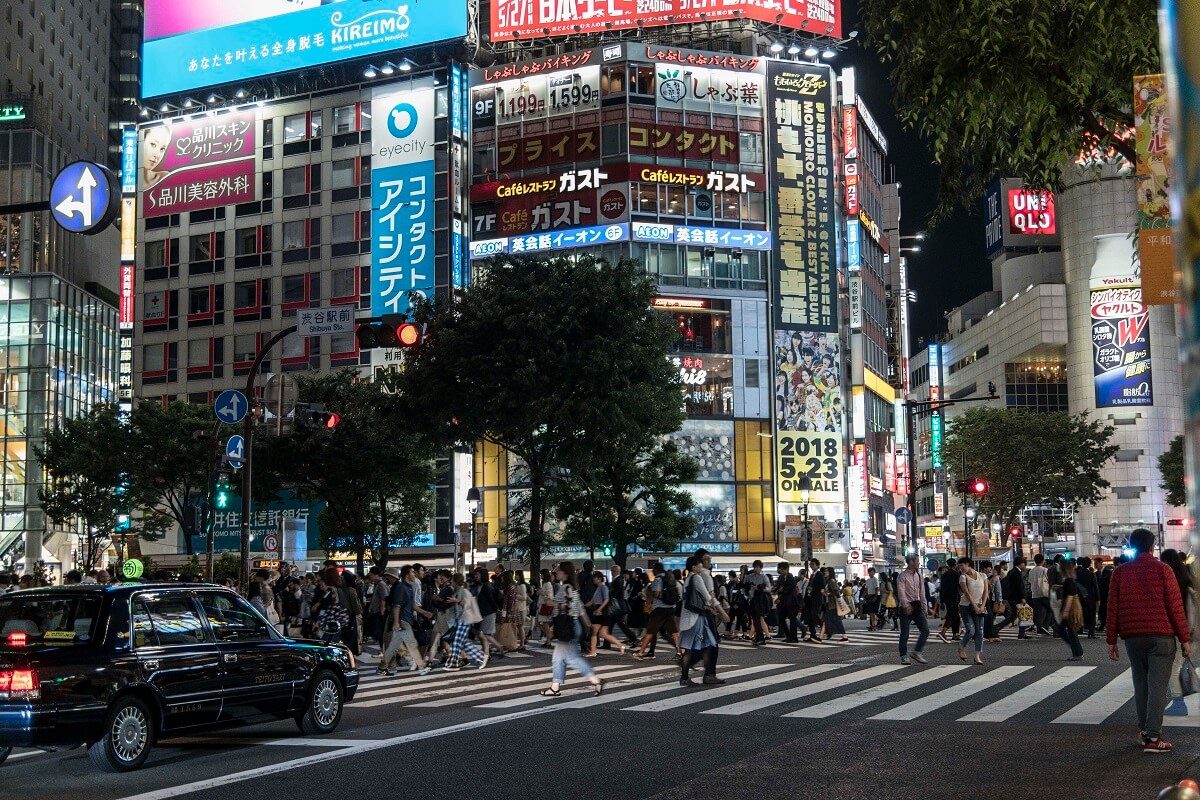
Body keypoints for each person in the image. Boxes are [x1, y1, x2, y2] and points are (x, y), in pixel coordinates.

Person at [1106, 528, 1192, 754]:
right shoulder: (1164, 570)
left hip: (1133, 637)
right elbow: (1175, 607)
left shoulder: (1120, 572)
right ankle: (1153, 736)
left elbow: (1112, 607)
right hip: (1161, 636)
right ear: (1153, 546)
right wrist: (1185, 639)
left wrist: (1111, 639)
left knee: (1141, 683)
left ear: (1131, 545)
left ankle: (1145, 731)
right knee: (1158, 686)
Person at [540, 562, 604, 697]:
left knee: (571, 658)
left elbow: (566, 606)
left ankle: (596, 681)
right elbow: (580, 608)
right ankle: (555, 687)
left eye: (558, 571)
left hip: (567, 626)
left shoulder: (566, 588)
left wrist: (552, 603)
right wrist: (587, 624)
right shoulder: (572, 588)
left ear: (565, 574)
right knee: (558, 658)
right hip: (574, 625)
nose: (556, 573)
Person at [679, 551, 724, 686]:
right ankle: (706, 675)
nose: (701, 567)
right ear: (694, 566)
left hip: (687, 618)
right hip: (696, 618)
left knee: (689, 649)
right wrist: (718, 609)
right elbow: (707, 596)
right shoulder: (697, 577)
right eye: (699, 565)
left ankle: (685, 678)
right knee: (709, 644)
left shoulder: (687, 579)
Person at [1162, 550, 1197, 716]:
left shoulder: (1175, 583)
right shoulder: (1187, 580)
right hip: (1189, 632)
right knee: (1178, 666)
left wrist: (1186, 638)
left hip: (1183, 632)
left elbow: (1184, 612)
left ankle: (1179, 704)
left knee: (1172, 668)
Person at [636, 561, 682, 660]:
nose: (652, 571)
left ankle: (641, 652)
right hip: (670, 607)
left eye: (653, 569)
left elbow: (657, 593)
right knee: (674, 632)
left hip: (659, 609)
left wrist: (649, 591)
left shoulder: (657, 580)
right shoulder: (669, 578)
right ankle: (679, 651)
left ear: (656, 570)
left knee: (650, 631)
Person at [444, 573, 488, 671]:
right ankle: (482, 657)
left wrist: (456, 601)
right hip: (459, 620)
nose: (451, 583)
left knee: (456, 642)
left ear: (456, 582)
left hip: (464, 620)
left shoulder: (464, 591)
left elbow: (467, 605)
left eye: (452, 581)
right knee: (463, 643)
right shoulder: (459, 591)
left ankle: (453, 664)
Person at [897, 553, 929, 666]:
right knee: (905, 633)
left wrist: (925, 607)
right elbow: (901, 592)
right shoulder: (902, 576)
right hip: (906, 607)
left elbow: (922, 593)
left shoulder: (919, 575)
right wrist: (906, 605)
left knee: (925, 630)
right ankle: (903, 656)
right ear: (911, 562)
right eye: (917, 560)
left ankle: (917, 652)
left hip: (917, 606)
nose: (918, 562)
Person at [585, 571, 627, 656]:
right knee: (603, 634)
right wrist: (584, 605)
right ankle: (620, 645)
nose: (593, 579)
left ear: (599, 578)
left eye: (595, 578)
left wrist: (599, 609)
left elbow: (606, 599)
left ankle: (593, 651)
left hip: (602, 612)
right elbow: (593, 601)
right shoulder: (599, 587)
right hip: (601, 611)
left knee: (595, 631)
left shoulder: (603, 587)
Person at [957, 557, 988, 665]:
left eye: (962, 565)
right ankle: (961, 646)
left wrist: (982, 605)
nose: (960, 568)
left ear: (968, 564)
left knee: (980, 631)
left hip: (980, 606)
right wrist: (974, 606)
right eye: (959, 566)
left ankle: (977, 655)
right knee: (971, 630)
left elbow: (986, 592)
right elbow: (966, 593)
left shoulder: (982, 576)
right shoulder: (963, 577)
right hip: (966, 606)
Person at [1054, 560, 1085, 661]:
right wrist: (1059, 586)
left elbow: (1070, 597)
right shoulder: (1069, 580)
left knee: (1066, 631)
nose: (1058, 568)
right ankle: (1077, 652)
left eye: (1060, 566)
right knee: (1069, 631)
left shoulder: (1069, 580)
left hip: (1070, 609)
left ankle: (1078, 653)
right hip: (1071, 608)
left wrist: (1066, 612)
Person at [996, 557, 1027, 637]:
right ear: (1021, 564)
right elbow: (1019, 586)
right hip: (1016, 598)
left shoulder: (1011, 572)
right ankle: (1021, 634)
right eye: (1024, 564)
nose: (1025, 566)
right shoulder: (1017, 572)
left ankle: (997, 628)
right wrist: (1022, 597)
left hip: (1011, 597)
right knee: (1021, 615)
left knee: (1014, 615)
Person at [775, 563, 801, 643]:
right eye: (779, 569)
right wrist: (777, 589)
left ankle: (794, 637)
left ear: (786, 569)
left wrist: (783, 589)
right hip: (782, 601)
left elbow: (792, 586)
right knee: (781, 619)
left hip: (791, 602)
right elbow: (778, 586)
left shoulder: (790, 577)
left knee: (792, 619)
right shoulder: (780, 577)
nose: (780, 571)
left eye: (782, 569)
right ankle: (788, 636)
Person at [938, 559, 962, 642]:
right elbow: (960, 586)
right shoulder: (957, 574)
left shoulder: (944, 575)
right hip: (954, 597)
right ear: (955, 564)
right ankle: (943, 632)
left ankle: (955, 634)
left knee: (955, 616)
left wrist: (941, 601)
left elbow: (942, 588)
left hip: (946, 598)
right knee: (952, 615)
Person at [1029, 553, 1053, 635]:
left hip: (1034, 594)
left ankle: (1039, 628)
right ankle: (1045, 626)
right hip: (1044, 594)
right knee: (1050, 609)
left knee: (1038, 612)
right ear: (1043, 561)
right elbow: (1049, 581)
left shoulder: (1031, 571)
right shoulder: (1045, 570)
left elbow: (1030, 581)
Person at [1076, 556, 1100, 639]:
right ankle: (1091, 633)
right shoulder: (1091, 574)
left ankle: (1079, 629)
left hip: (1079, 597)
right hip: (1090, 597)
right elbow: (1095, 587)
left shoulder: (1077, 574)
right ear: (1089, 564)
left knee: (1081, 613)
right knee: (1092, 615)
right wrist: (1098, 599)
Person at [804, 558, 826, 643]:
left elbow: (822, 585)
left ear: (817, 565)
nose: (811, 566)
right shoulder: (812, 574)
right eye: (810, 564)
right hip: (810, 598)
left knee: (813, 616)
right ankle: (812, 634)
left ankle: (823, 626)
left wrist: (813, 588)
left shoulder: (819, 574)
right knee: (810, 617)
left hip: (816, 598)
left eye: (813, 564)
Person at [535, 568, 556, 646]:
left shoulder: (547, 584)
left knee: (544, 623)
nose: (541, 576)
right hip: (543, 606)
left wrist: (541, 592)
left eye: (541, 574)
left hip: (545, 606)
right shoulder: (545, 583)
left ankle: (549, 639)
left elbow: (549, 596)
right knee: (541, 623)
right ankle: (549, 638)